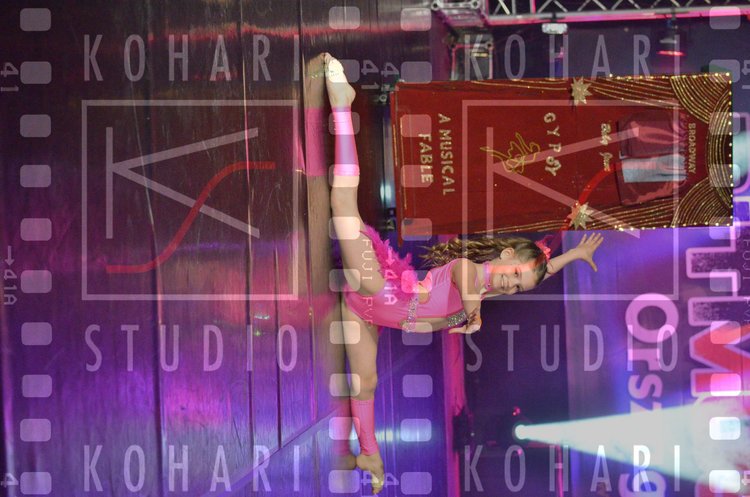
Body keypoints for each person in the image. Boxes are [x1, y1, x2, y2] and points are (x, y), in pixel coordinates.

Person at [322, 53, 604, 494]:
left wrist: (572, 258)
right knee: (343, 204)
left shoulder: (491, 288)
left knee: (366, 382)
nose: (510, 284)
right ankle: (342, 103)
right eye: (514, 275)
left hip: (369, 314)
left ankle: (370, 455)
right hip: (376, 282)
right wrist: (473, 314)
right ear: (506, 253)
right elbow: (466, 280)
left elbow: (536, 272)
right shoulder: (472, 273)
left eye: (517, 287)